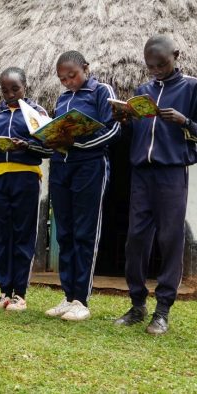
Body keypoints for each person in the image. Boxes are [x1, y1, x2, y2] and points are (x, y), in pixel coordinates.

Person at [113, 35, 197, 335]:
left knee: (170, 240)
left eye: (162, 64)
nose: (157, 70)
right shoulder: (143, 90)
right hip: (141, 175)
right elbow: (136, 135)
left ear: (177, 54)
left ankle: (162, 311)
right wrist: (124, 119)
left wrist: (186, 121)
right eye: (151, 66)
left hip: (171, 173)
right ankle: (137, 305)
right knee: (135, 239)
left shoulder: (191, 87)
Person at [44, 51, 120, 321]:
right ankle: (68, 295)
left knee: (84, 232)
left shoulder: (101, 91)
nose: (68, 82)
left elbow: (112, 130)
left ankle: (81, 299)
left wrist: (75, 143)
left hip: (90, 166)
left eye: (72, 75)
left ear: (85, 68)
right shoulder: (63, 98)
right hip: (61, 167)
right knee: (64, 232)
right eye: (62, 79)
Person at [0, 67, 53, 311]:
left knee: (23, 234)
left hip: (26, 178)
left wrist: (27, 146)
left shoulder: (36, 113)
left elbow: (49, 148)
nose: (9, 94)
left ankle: (19, 293)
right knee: (3, 235)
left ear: (25, 86)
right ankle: (3, 291)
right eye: (5, 90)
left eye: (15, 89)